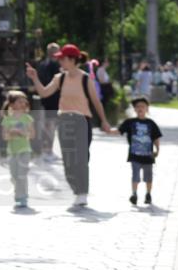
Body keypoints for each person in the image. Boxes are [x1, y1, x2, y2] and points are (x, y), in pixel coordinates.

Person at [25, 43, 115, 206]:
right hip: (64, 120)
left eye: (62, 59)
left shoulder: (86, 78)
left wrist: (104, 121)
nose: (60, 62)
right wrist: (34, 78)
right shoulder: (60, 78)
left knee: (80, 159)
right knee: (68, 160)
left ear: (72, 60)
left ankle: (82, 192)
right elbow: (44, 93)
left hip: (82, 121)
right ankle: (76, 188)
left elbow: (96, 101)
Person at [118, 97, 163, 206]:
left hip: (148, 155)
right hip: (134, 155)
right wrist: (107, 130)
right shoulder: (130, 122)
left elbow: (156, 137)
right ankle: (134, 194)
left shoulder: (151, 123)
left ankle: (148, 194)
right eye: (137, 106)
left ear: (147, 108)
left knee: (148, 176)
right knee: (135, 175)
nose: (140, 108)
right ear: (134, 109)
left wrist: (157, 149)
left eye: (143, 106)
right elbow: (119, 130)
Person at [0, 91, 35, 208]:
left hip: (25, 150)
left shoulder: (27, 118)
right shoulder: (7, 119)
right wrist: (11, 132)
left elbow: (32, 135)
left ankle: (23, 197)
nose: (23, 103)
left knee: (22, 174)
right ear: (12, 104)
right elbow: (5, 137)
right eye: (20, 101)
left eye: (24, 101)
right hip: (12, 151)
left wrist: (23, 133)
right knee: (14, 176)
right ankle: (18, 193)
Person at [37, 43, 62, 160]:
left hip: (45, 98)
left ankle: (46, 150)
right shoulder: (56, 66)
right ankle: (48, 151)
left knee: (48, 124)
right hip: (54, 99)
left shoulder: (42, 64)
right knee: (51, 125)